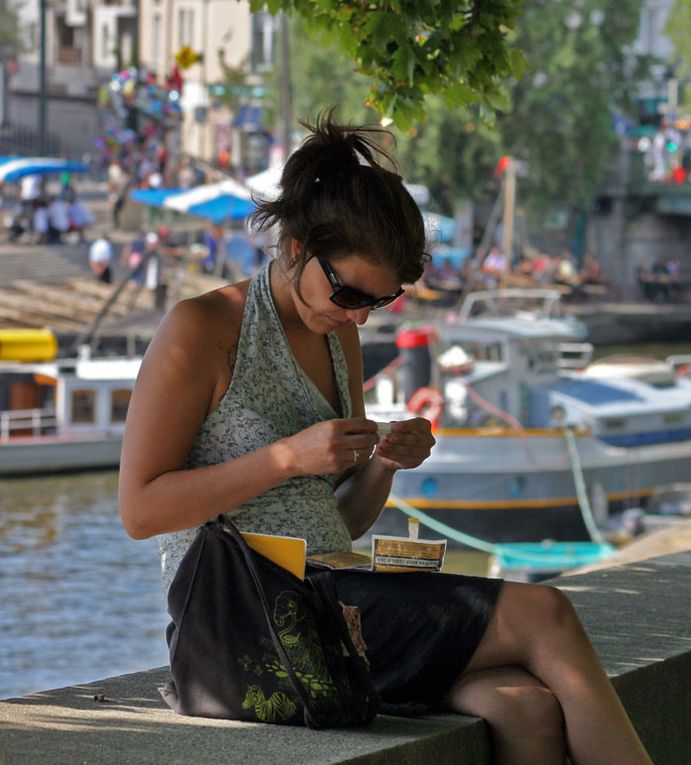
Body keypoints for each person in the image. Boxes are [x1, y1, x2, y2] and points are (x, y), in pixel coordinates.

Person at [118, 109, 651, 765]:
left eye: (381, 300)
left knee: (525, 703)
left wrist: (383, 467)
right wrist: (285, 457)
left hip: (333, 603)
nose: (359, 314)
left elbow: (337, 524)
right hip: (245, 624)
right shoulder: (203, 328)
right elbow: (140, 510)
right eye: (347, 292)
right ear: (294, 247)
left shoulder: (338, 335)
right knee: (546, 613)